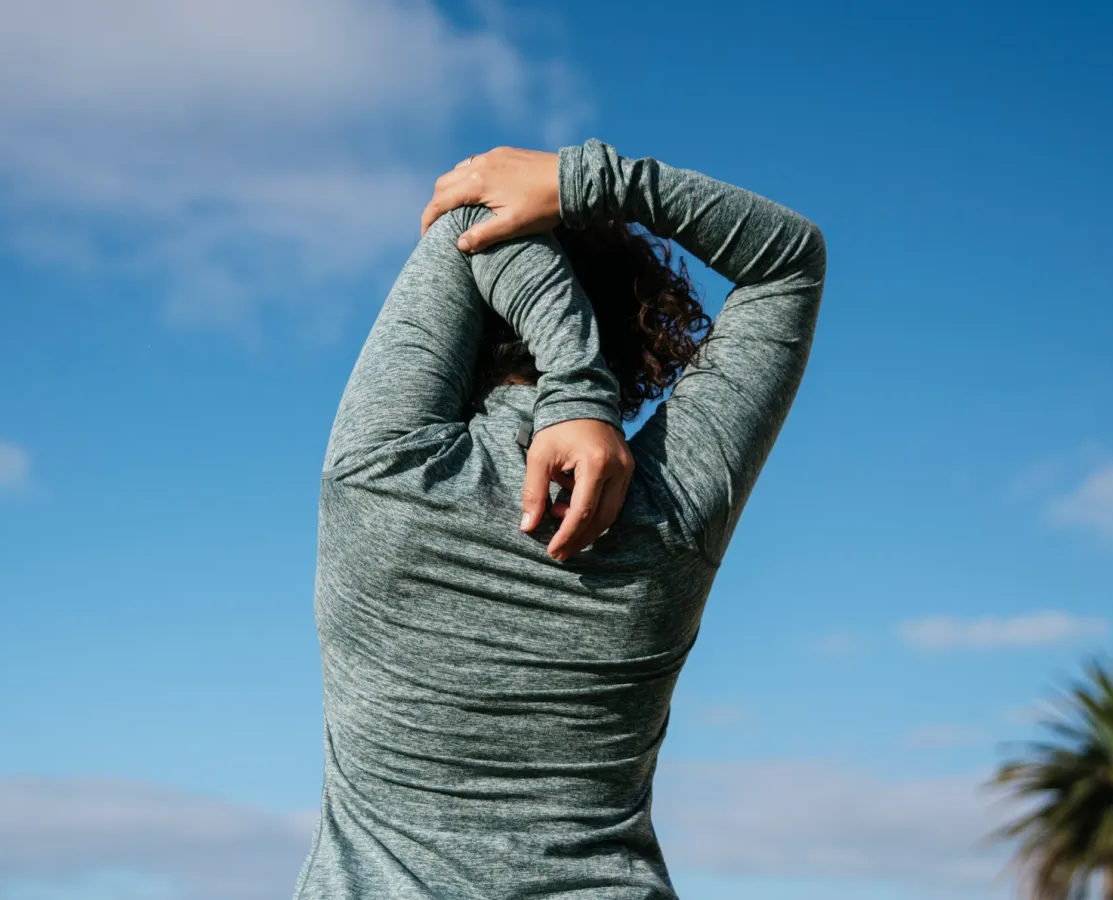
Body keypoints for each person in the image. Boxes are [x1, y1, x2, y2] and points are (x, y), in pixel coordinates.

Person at [293, 138, 826, 899]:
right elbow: (789, 261)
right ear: (643, 347)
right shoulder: (672, 509)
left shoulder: (381, 470)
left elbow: (467, 215)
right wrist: (587, 183)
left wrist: (569, 372)